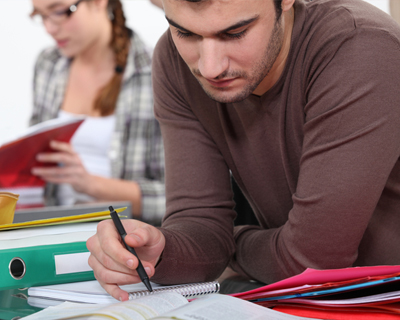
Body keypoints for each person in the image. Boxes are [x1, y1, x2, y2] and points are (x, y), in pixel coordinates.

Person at [87, 0, 400, 301]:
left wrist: (230, 243)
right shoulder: (174, 61)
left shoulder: (360, 47)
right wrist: (160, 250)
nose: (210, 68)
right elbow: (199, 226)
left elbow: (313, 260)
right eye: (186, 33)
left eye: (235, 33)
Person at [29, 0, 165, 224]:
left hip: (126, 242)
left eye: (59, 12)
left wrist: (90, 184)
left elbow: (179, 201)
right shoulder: (48, 65)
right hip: (52, 231)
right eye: (41, 15)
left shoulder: (154, 73)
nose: (49, 28)